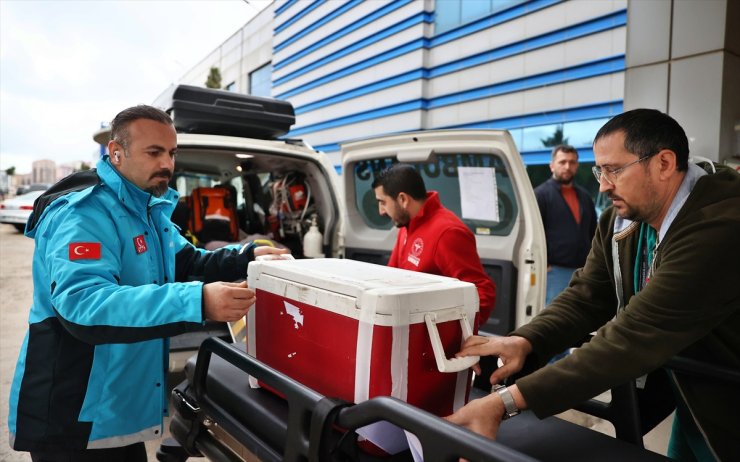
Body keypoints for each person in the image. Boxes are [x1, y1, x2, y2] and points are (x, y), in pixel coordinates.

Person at [447, 109, 740, 461]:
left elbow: (633, 336)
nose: (602, 184)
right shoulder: (622, 219)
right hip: (693, 395)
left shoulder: (720, 226)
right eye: (599, 170)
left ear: (664, 164)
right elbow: (587, 296)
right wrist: (527, 339)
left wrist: (503, 403)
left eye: (614, 169)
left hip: (727, 397)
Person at [7, 105, 288, 461]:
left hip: (118, 411)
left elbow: (188, 261)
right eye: (154, 152)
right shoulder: (83, 213)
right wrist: (198, 302)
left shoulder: (148, 209)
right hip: (73, 415)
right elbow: (83, 305)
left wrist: (247, 255)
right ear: (116, 153)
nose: (167, 164)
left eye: (171, 153)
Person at [372, 163, 496, 325]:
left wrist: (450, 332)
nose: (381, 211)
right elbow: (392, 276)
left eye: (383, 202)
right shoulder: (406, 225)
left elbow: (482, 292)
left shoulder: (448, 232)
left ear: (403, 199)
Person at [534, 144, 597, 305]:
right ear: (552, 165)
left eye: (572, 162)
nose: (567, 167)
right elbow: (535, 233)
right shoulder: (540, 195)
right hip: (554, 271)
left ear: (577, 165)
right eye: (562, 162)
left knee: (577, 317)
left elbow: (594, 233)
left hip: (582, 271)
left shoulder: (584, 196)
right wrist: (546, 264)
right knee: (553, 319)